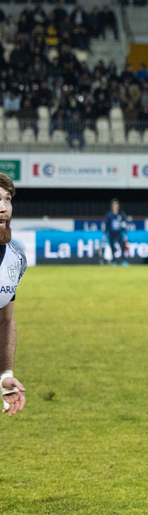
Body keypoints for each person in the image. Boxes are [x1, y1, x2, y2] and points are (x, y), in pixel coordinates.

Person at [0, 174, 28, 418]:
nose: (3, 208)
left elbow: (6, 321)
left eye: (7, 199)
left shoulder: (15, 259)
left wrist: (5, 376)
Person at [102, 198, 130, 266]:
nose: (115, 206)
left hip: (119, 233)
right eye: (114, 204)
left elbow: (125, 223)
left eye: (116, 204)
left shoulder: (121, 214)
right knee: (112, 247)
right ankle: (113, 261)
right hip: (111, 233)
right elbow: (106, 223)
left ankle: (123, 260)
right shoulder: (109, 215)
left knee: (122, 246)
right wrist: (105, 232)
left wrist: (125, 229)